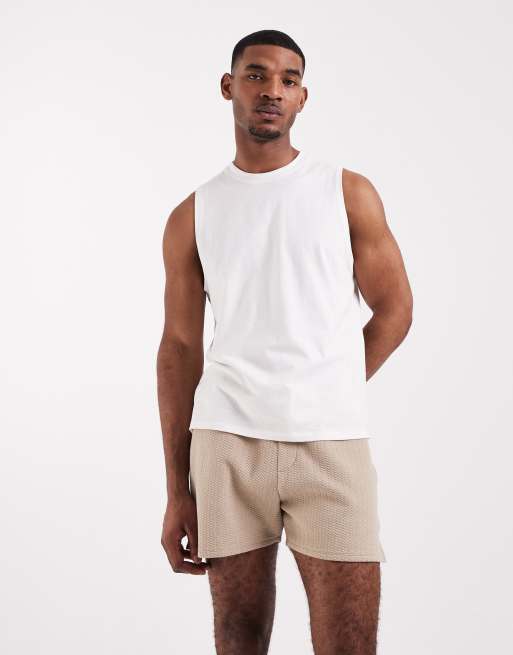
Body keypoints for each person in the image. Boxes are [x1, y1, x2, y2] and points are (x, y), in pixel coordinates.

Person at [157, 29, 413, 655]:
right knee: (238, 638)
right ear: (229, 87)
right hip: (226, 443)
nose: (272, 89)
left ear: (302, 97)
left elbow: (395, 309)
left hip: (329, 441)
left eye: (288, 79)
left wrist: (332, 381)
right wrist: (176, 490)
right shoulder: (193, 214)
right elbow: (180, 349)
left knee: (349, 642)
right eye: (256, 74)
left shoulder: (346, 192)